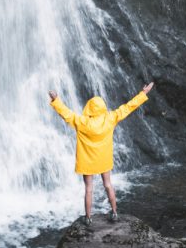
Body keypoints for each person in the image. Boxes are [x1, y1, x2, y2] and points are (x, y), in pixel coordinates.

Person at [48, 82, 154, 224]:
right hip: (103, 159)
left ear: (89, 109)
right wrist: (143, 94)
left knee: (89, 188)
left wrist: (56, 100)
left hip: (87, 161)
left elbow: (66, 114)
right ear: (103, 107)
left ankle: (88, 217)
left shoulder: (82, 122)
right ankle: (115, 212)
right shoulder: (110, 118)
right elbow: (128, 107)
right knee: (108, 184)